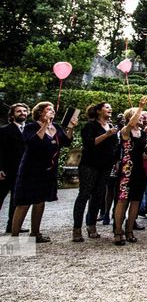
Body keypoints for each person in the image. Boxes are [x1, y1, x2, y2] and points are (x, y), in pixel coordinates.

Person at [11, 102, 77, 241]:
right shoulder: (31, 126)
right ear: (40, 112)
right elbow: (32, 142)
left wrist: (71, 127)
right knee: (24, 202)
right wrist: (45, 125)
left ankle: (35, 234)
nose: (52, 111)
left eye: (53, 109)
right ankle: (14, 237)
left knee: (40, 201)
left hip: (48, 169)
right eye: (48, 110)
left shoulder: (56, 127)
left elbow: (66, 141)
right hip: (31, 168)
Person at [72, 102, 118, 242]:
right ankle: (77, 229)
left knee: (98, 196)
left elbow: (114, 146)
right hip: (90, 165)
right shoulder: (90, 126)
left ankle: (91, 225)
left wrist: (115, 160)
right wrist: (107, 135)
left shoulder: (110, 127)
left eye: (111, 107)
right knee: (84, 195)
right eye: (107, 107)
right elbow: (89, 144)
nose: (110, 109)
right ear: (98, 111)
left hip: (105, 166)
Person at [113, 96, 147, 245]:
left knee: (136, 201)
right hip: (126, 170)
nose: (141, 117)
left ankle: (129, 230)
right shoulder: (125, 130)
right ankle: (117, 231)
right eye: (138, 115)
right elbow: (130, 124)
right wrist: (140, 106)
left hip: (139, 170)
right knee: (122, 200)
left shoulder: (144, 134)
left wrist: (145, 155)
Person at [0, 103, 29, 234]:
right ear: (12, 115)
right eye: (19, 111)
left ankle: (12, 225)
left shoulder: (29, 129)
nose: (22, 113)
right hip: (7, 170)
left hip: (22, 171)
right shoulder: (4, 130)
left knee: (16, 200)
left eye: (24, 111)